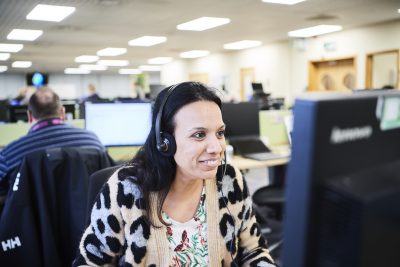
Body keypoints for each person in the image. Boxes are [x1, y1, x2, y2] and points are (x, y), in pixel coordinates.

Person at [73, 82, 275, 266]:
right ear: (165, 142)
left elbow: (254, 251)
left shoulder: (229, 180)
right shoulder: (125, 189)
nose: (216, 147)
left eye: (220, 133)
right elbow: (90, 262)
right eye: (199, 135)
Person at [0, 87, 105, 203]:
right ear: (62, 113)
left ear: (29, 116)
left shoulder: (10, 154)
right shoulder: (93, 142)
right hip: (86, 218)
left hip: (33, 220)